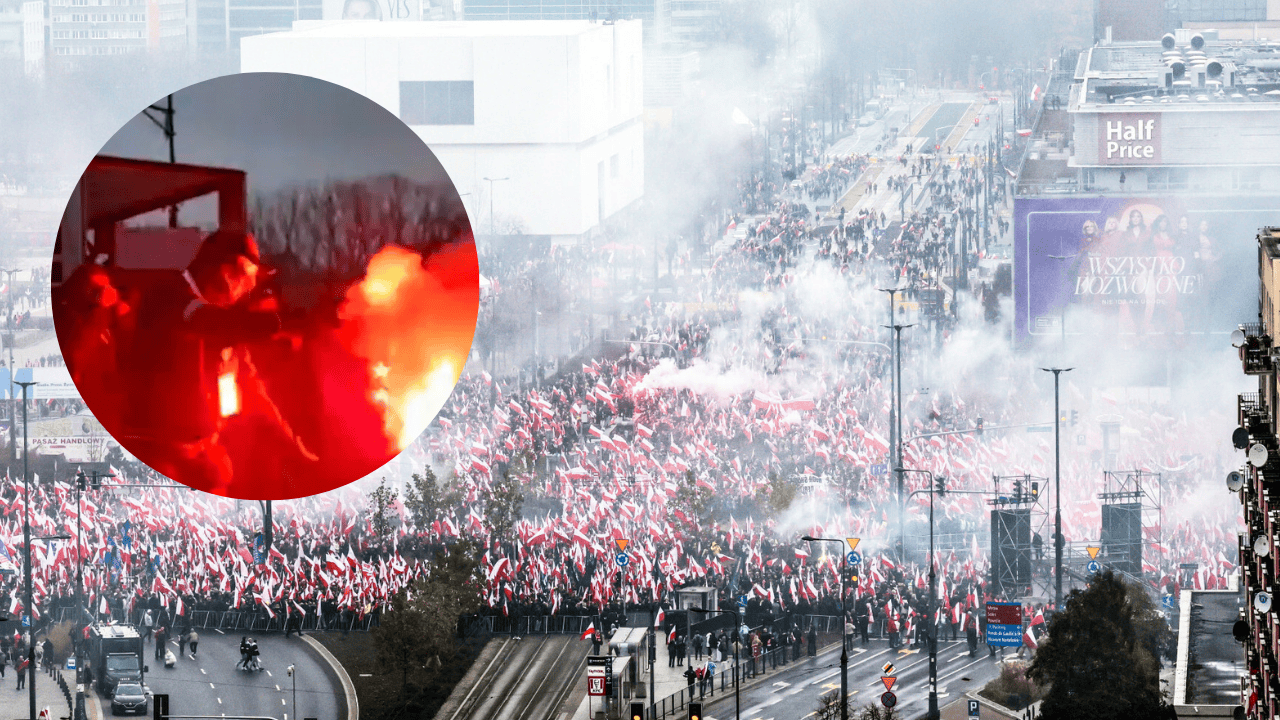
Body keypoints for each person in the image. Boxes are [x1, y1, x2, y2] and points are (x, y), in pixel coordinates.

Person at [112, 230, 314, 496]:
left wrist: (290, 444)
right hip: (156, 451)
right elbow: (201, 320)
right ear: (223, 271)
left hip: (202, 449)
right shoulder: (168, 297)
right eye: (247, 275)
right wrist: (271, 324)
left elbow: (252, 388)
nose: (249, 287)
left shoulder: (223, 319)